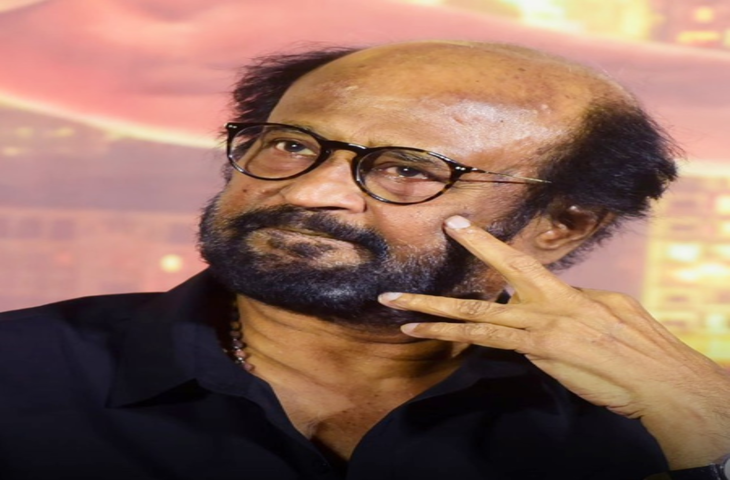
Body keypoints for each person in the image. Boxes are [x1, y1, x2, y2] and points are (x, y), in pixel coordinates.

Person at [1, 40, 729, 480]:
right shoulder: (20, 370)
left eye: (409, 168)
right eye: (291, 145)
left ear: (563, 224)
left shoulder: (651, 418)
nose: (310, 191)